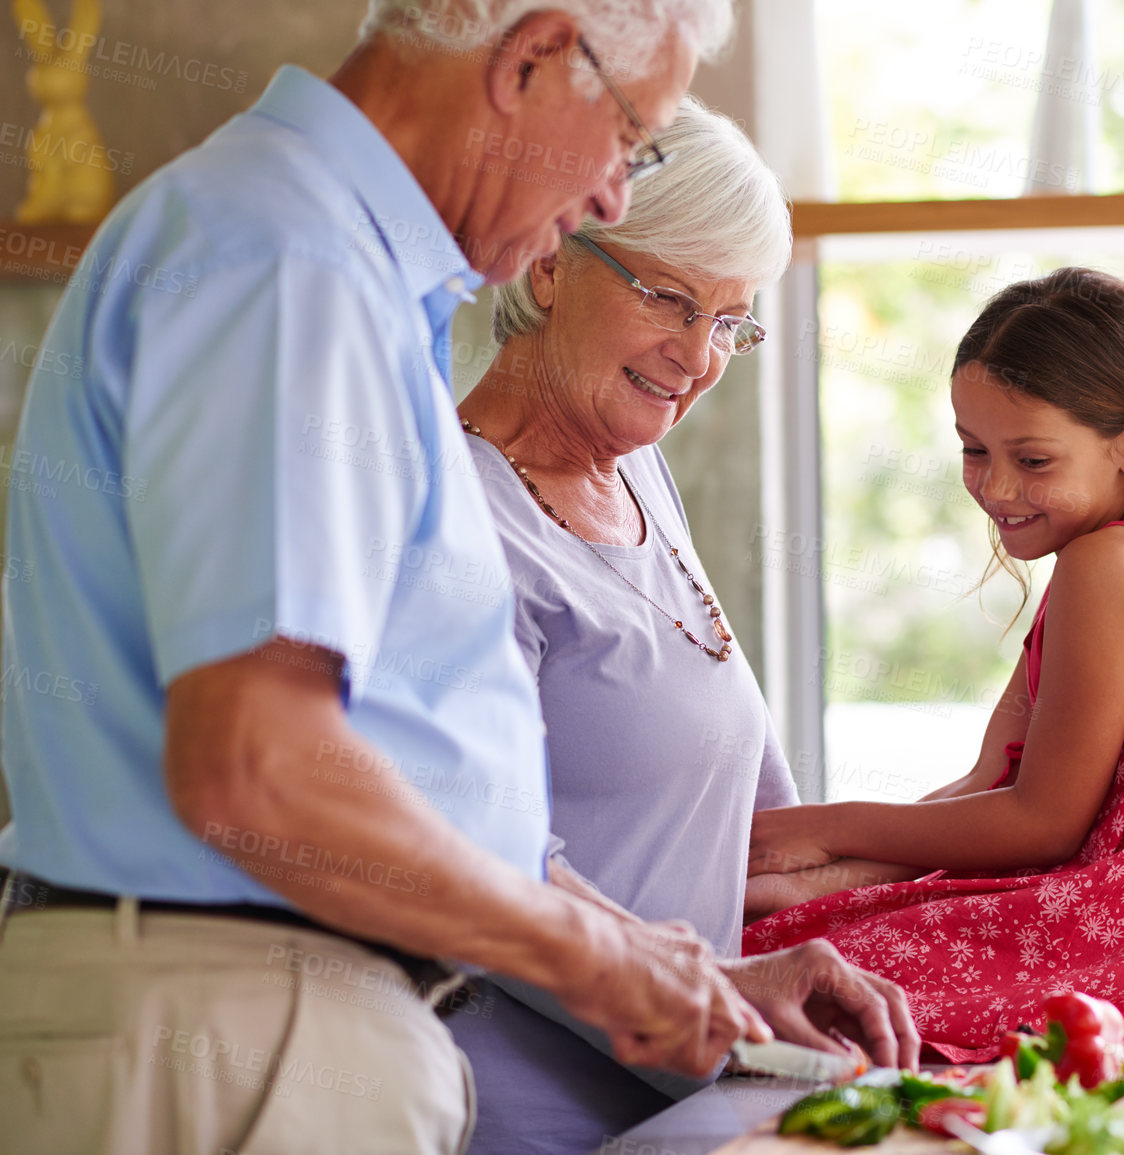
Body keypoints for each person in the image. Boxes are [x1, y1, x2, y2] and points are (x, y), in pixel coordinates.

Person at [0, 3, 781, 1151]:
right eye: (629, 134)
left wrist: (670, 967)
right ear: (531, 59)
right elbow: (258, 769)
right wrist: (593, 958)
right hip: (232, 1028)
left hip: (267, 1021)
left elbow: (400, 771)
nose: (615, 192)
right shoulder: (288, 258)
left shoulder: (337, 268)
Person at [449, 97, 919, 1153]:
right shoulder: (460, 518)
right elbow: (476, 868)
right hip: (527, 1123)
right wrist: (721, 995)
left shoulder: (640, 475)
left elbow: (748, 844)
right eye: (669, 297)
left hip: (697, 1108)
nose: (696, 356)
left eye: (730, 322)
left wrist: (1007, 863)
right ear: (552, 264)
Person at [744, 268, 1124, 1060]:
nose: (996, 486)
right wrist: (829, 878)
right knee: (788, 931)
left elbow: (1041, 824)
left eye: (1034, 460)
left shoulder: (1111, 565)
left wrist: (818, 827)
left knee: (783, 983)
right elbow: (990, 783)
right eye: (973, 450)